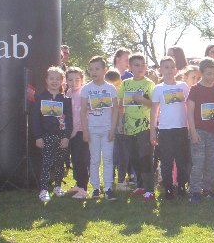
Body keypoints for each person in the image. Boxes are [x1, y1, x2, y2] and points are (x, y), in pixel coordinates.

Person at [150, 56, 190, 200]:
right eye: (166, 67)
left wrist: (191, 127)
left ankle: (181, 186)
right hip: (165, 130)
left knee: (181, 160)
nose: (169, 70)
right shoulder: (158, 89)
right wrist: (152, 130)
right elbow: (154, 111)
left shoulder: (183, 86)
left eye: (172, 67)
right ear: (160, 70)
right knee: (166, 160)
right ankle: (168, 188)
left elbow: (189, 107)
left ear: (176, 70)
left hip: (182, 129)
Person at [118, 53, 156, 201]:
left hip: (144, 127)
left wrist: (142, 99)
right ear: (130, 67)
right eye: (136, 65)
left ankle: (149, 190)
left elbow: (154, 105)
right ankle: (140, 186)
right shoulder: (125, 84)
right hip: (128, 127)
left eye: (143, 65)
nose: (140, 68)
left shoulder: (149, 84)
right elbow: (121, 105)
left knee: (145, 158)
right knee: (134, 158)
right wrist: (120, 123)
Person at [80, 56, 119, 201]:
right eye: (91, 69)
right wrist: (85, 130)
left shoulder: (111, 88)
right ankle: (96, 188)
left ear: (104, 70)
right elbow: (83, 111)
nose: (93, 72)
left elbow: (115, 110)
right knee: (94, 159)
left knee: (108, 159)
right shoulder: (86, 89)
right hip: (92, 130)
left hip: (107, 129)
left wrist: (112, 129)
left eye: (97, 69)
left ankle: (108, 188)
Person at [32, 66, 72, 202]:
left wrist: (66, 136)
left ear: (62, 81)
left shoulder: (66, 99)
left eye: (57, 79)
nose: (54, 81)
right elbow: (36, 119)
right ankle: (44, 190)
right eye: (51, 78)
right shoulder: (40, 98)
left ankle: (58, 186)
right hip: (46, 136)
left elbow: (69, 120)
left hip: (61, 136)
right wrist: (38, 137)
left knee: (60, 162)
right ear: (46, 80)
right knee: (47, 162)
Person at [186, 58, 214, 202]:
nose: (212, 76)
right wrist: (193, 132)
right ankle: (194, 191)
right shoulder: (195, 89)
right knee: (198, 162)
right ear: (201, 73)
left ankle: (207, 189)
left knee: (211, 162)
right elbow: (190, 112)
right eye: (208, 73)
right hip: (199, 132)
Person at [64, 66, 90, 199]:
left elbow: (82, 115)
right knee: (75, 160)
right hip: (71, 132)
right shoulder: (68, 93)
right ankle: (78, 184)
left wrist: (73, 132)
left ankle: (84, 189)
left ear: (82, 80)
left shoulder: (83, 94)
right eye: (70, 80)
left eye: (77, 80)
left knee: (81, 160)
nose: (73, 83)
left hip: (81, 132)